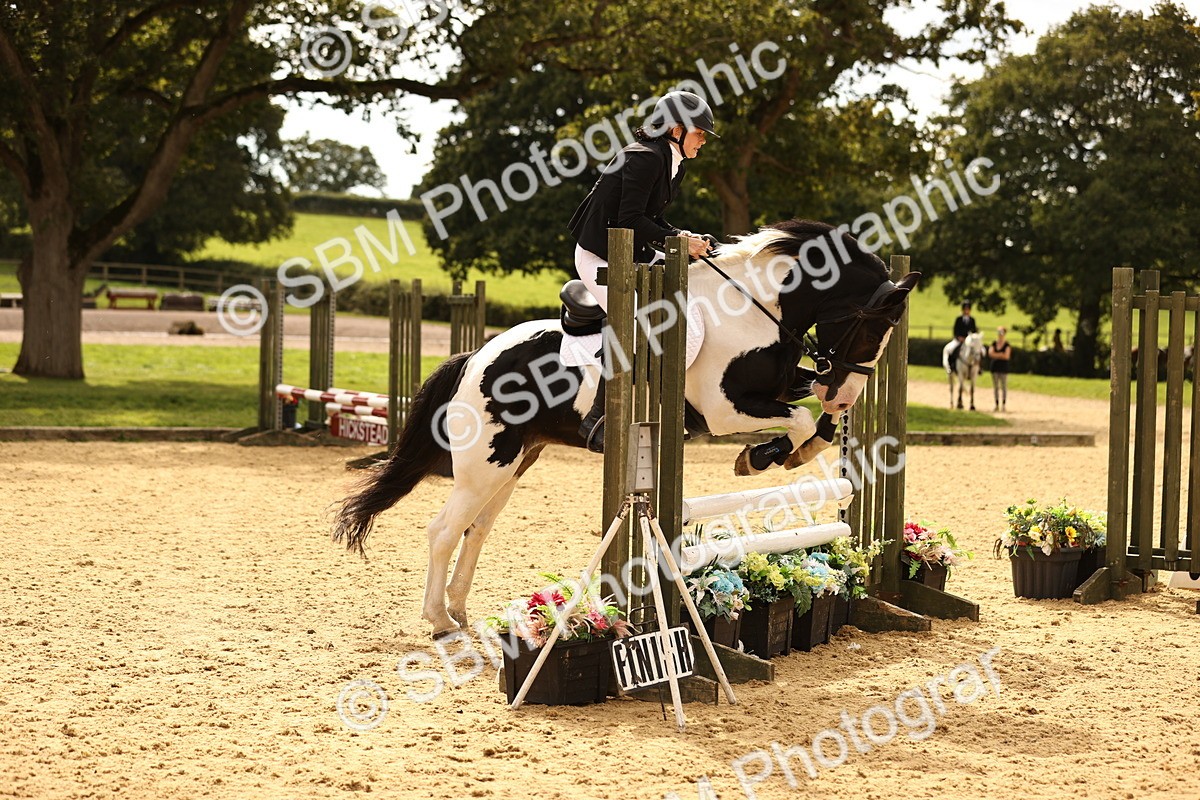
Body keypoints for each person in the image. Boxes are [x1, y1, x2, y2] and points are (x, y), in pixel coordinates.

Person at [567, 90, 717, 453]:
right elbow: (629, 219)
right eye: (700, 134)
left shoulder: (670, 160)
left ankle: (675, 401)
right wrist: (677, 239)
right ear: (678, 129)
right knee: (635, 319)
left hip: (630, 250)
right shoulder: (644, 158)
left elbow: (653, 219)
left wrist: (687, 237)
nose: (703, 142)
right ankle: (598, 417)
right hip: (599, 255)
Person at [944, 301, 978, 372]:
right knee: (952, 349)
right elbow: (955, 330)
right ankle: (952, 366)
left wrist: (970, 339)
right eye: (965, 309)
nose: (966, 311)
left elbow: (974, 331)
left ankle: (979, 367)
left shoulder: (972, 320)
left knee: (979, 351)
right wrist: (959, 337)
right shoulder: (958, 319)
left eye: (968, 309)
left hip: (969, 341)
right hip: (959, 339)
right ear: (963, 310)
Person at [989, 326, 1012, 411]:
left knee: (1003, 386)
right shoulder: (994, 343)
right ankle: (996, 404)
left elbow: (1006, 356)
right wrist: (1000, 354)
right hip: (994, 368)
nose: (1000, 335)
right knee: (996, 387)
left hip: (1003, 368)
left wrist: (996, 355)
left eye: (1001, 333)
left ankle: (1003, 404)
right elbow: (991, 353)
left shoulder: (1007, 345)